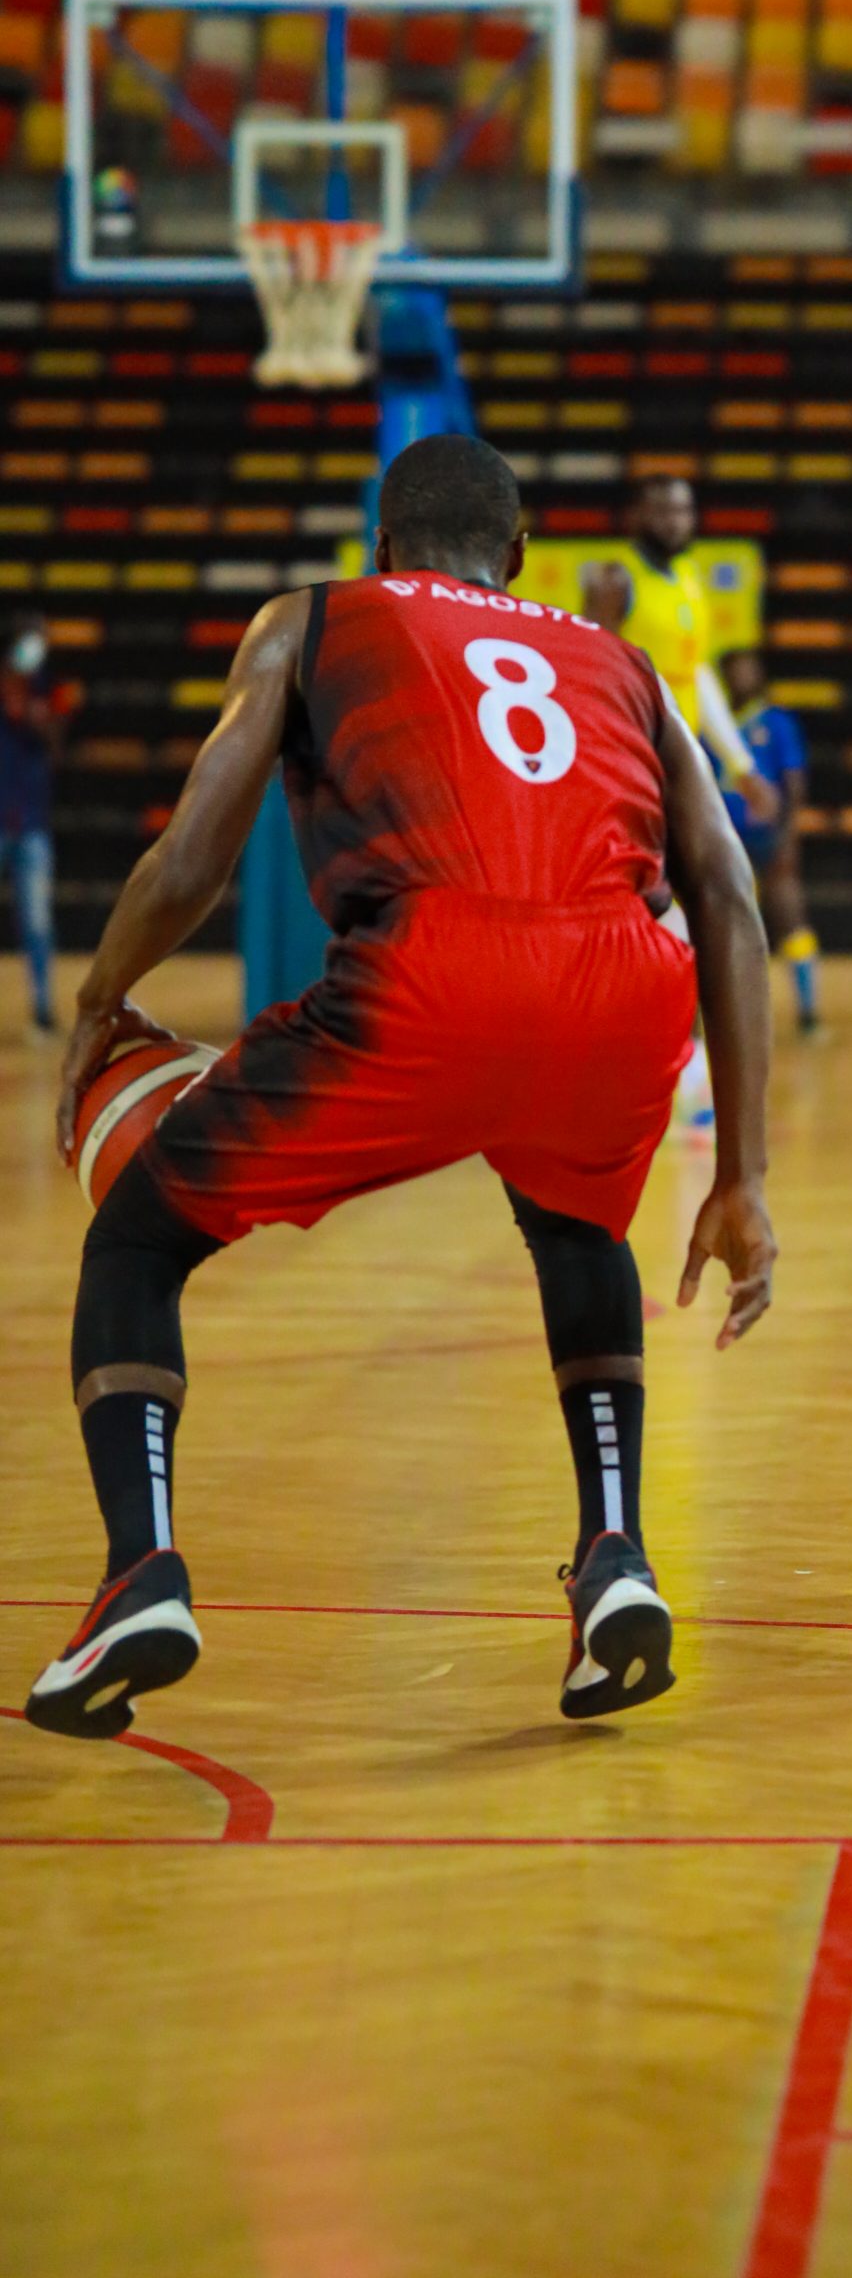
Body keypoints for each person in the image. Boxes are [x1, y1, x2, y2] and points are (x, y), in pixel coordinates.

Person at [27, 434, 776, 1741]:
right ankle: (615, 1560)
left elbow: (197, 851)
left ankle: (139, 1574)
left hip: (432, 973)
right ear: (520, 556)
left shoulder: (311, 621)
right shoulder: (622, 659)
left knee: (137, 1243)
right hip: (624, 981)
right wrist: (746, 1176)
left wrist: (97, 1001)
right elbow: (727, 891)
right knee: (575, 1225)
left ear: (380, 550)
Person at [518, 475, 779, 834]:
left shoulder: (688, 576)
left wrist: (740, 765)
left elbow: (697, 673)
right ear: (636, 516)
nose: (674, 521)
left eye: (683, 510)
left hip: (680, 757)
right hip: (631, 756)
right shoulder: (615, 579)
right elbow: (590, 673)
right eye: (662, 511)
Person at [717, 647, 820, 1035]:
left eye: (749, 668)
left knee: (789, 914)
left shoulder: (776, 722)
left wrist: (789, 836)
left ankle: (809, 1012)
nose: (743, 676)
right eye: (735, 669)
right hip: (726, 841)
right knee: (728, 927)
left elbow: (794, 783)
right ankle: (731, 1017)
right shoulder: (714, 724)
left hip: (768, 838)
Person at [1, 609, 69, 1034]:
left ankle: (44, 1011)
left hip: (32, 825)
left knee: (38, 922)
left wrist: (36, 716)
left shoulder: (49, 690)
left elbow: (57, 747)